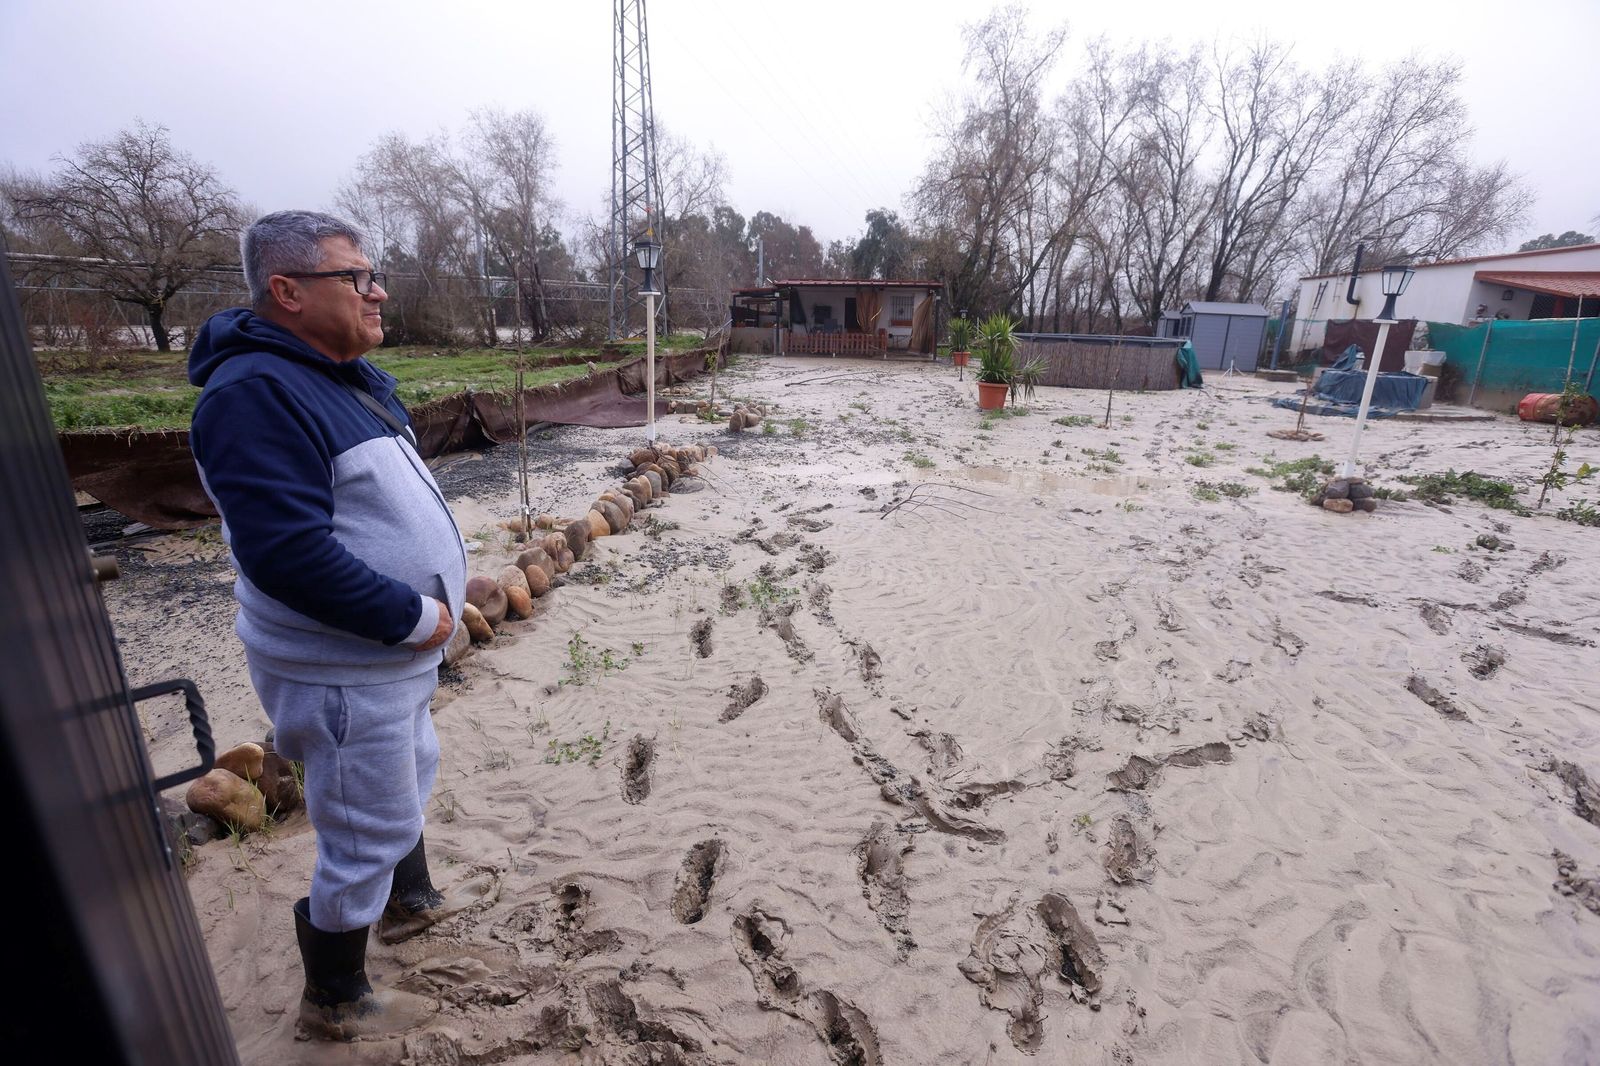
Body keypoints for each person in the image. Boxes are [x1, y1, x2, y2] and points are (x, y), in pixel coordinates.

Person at [188, 210, 480, 1041]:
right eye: (356, 277)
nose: (377, 290)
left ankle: (410, 904)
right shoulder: (255, 394)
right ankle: (337, 999)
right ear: (287, 291)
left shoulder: (334, 372)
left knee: (403, 778)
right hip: (345, 666)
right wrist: (414, 615)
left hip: (386, 664)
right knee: (363, 826)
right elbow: (287, 554)